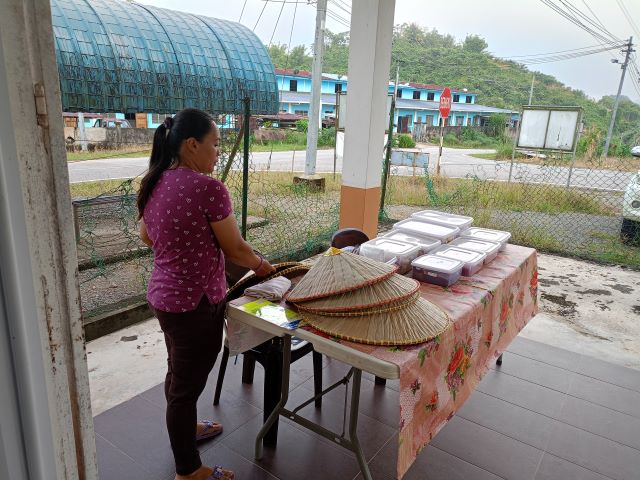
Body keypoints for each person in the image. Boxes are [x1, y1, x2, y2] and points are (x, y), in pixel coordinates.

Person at [137, 108, 275, 480]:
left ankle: (187, 428)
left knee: (178, 373)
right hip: (195, 306)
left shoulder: (155, 180)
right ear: (192, 144)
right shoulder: (208, 188)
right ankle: (188, 470)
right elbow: (236, 249)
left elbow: (147, 236)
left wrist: (181, 250)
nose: (218, 151)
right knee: (185, 386)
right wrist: (263, 266)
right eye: (214, 144)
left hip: (164, 299)